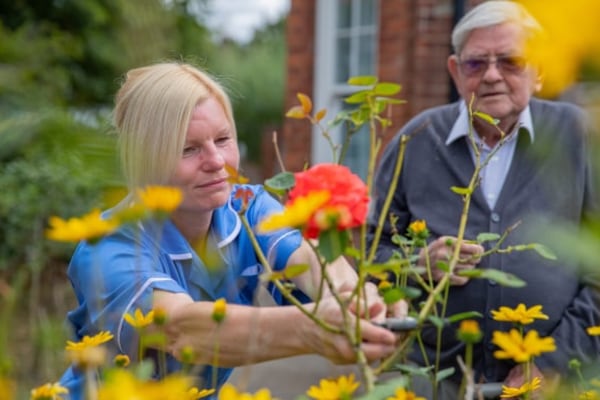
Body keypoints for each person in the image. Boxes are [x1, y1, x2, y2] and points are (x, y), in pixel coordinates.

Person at [58, 62, 403, 399]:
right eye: (188, 149)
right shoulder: (107, 245)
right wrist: (313, 330)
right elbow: (180, 330)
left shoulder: (245, 205)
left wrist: (358, 301)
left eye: (223, 139)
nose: (217, 162)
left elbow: (308, 258)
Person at [367, 1, 599, 398]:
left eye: (511, 61)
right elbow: (370, 253)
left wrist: (553, 361)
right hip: (433, 380)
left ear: (538, 71)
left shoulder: (579, 138)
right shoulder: (415, 141)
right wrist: (417, 265)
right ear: (456, 72)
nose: (492, 75)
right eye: (476, 64)